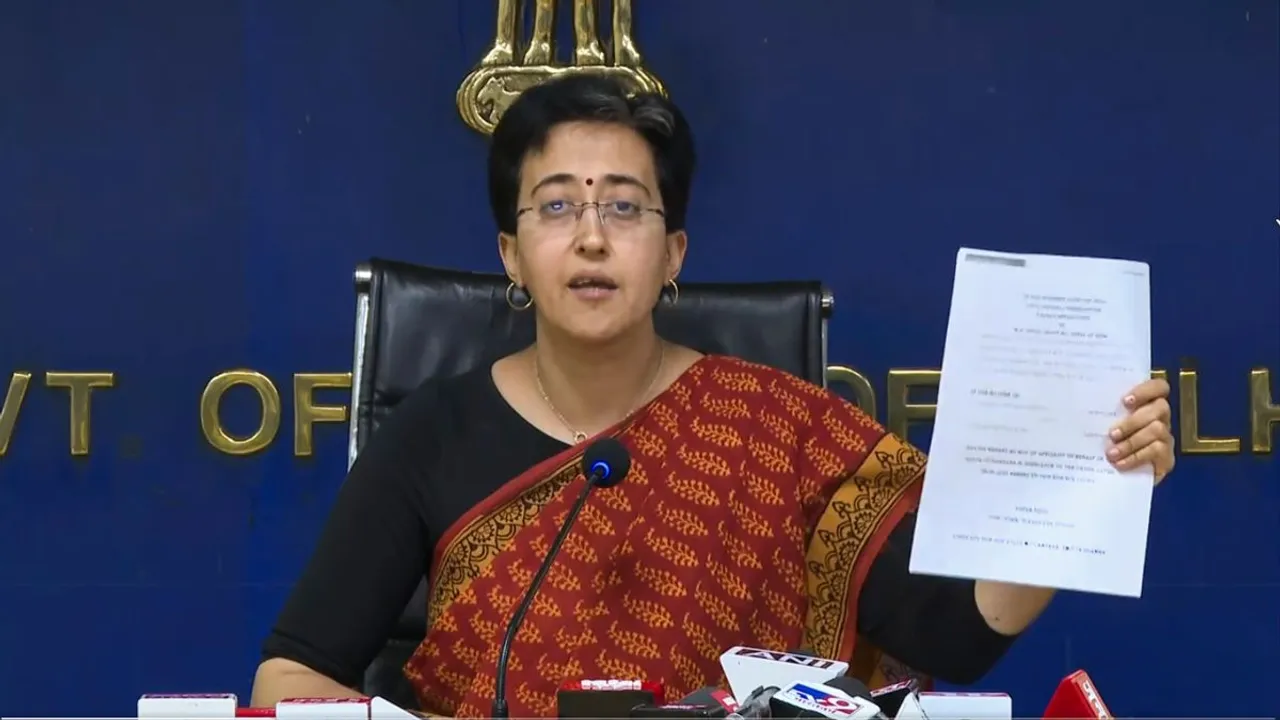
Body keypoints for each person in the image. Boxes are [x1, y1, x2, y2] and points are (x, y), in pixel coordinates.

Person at [250, 75, 1176, 717]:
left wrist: (1091, 481)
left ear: (675, 253)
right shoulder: (432, 434)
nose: (592, 237)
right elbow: (290, 674)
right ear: (511, 255)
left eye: (624, 205)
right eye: (558, 205)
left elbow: (957, 633)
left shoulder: (785, 431)